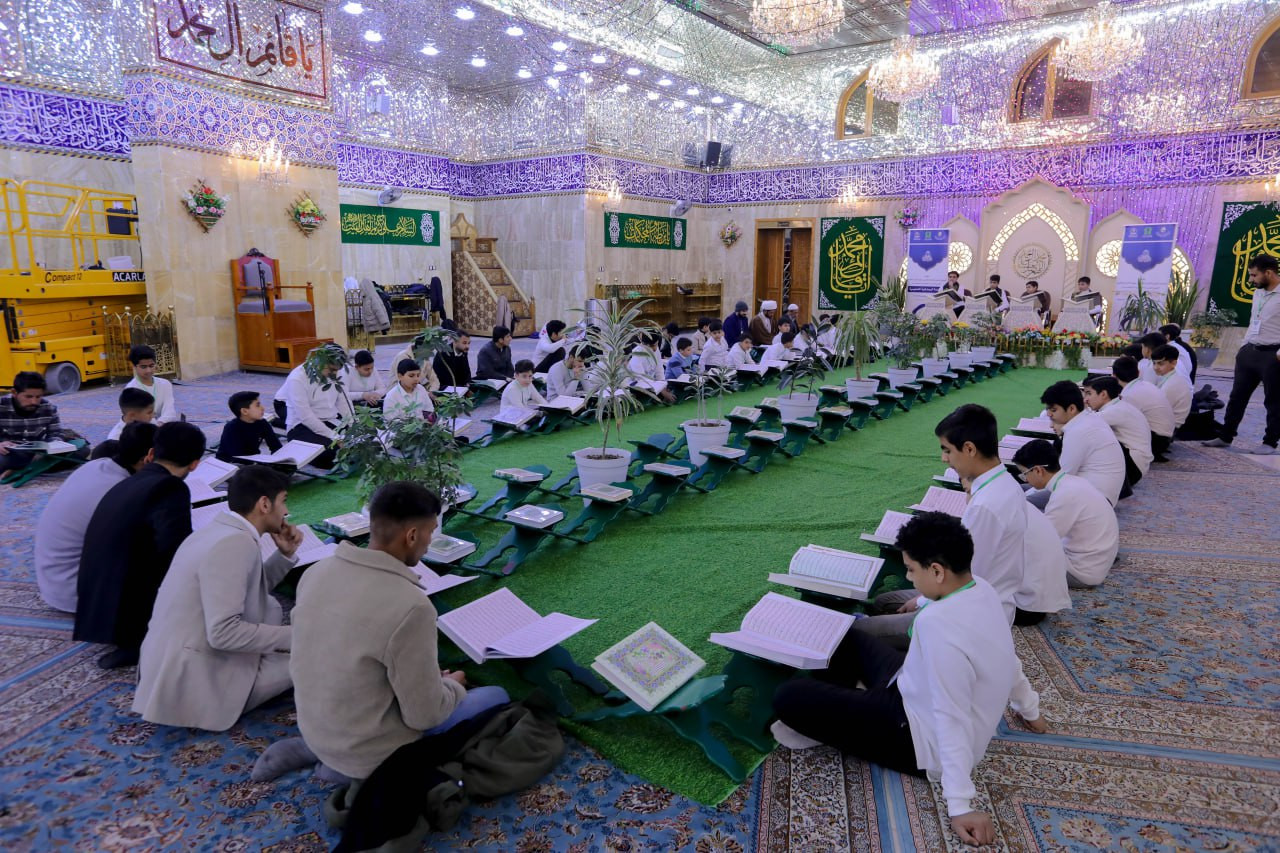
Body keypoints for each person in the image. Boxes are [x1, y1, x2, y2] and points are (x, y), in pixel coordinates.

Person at [772, 512, 1045, 848]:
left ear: (937, 571)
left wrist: (960, 805)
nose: (908, 577)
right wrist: (1029, 708)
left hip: (916, 737)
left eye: (912, 570)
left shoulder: (939, 626)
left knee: (788, 696)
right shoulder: (982, 588)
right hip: (908, 685)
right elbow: (1009, 658)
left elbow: (951, 715)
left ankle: (840, 718)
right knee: (845, 635)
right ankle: (845, 712)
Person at [289, 482, 510, 782]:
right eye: (431, 532)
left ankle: (319, 753)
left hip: (317, 729)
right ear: (412, 535)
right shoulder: (412, 606)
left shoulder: (316, 572)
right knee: (496, 696)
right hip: (371, 754)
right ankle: (353, 772)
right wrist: (452, 686)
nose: (430, 542)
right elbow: (425, 715)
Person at [133, 465, 301, 731]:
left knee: (273, 611)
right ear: (265, 504)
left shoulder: (216, 531)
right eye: (283, 501)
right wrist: (302, 636)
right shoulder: (235, 543)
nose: (286, 511)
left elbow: (247, 589)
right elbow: (223, 633)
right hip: (197, 683)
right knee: (315, 653)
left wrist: (284, 555)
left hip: (169, 665)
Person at [74, 421, 206, 669]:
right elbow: (175, 550)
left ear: (152, 453)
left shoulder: (132, 480)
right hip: (125, 613)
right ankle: (139, 643)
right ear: (195, 464)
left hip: (96, 602)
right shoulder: (170, 486)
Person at [34, 423, 157, 614]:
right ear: (148, 457)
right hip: (76, 593)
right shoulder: (121, 490)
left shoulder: (95, 466)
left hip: (54, 583)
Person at [1013, 440, 1119, 588]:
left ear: (1038, 470)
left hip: (1081, 573)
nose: (1026, 480)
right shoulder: (1073, 482)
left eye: (1025, 474)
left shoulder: (1065, 494)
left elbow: (1041, 540)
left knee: (1009, 560)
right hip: (1092, 562)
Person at [1204, 254, 1280, 453]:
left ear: (1269, 273)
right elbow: (1255, 320)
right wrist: (1244, 346)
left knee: (1273, 401)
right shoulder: (1258, 293)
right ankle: (1225, 436)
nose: (1251, 280)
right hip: (1249, 351)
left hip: (1273, 355)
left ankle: (1270, 442)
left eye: (1254, 275)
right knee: (1237, 396)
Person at [1041, 380, 1126, 506]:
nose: (1048, 414)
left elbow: (1061, 478)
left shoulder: (1079, 431)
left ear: (1072, 409)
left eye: (1053, 410)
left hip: (1095, 500)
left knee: (1025, 500)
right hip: (1099, 493)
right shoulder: (1087, 419)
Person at [278, 344, 353, 469]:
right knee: (331, 453)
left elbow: (343, 402)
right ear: (320, 361)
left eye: (337, 370)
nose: (334, 374)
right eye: (332, 370)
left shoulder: (337, 373)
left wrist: (353, 426)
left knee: (363, 441)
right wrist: (336, 438)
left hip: (330, 421)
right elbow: (306, 417)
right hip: (301, 427)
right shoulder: (297, 378)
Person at [0, 371, 86, 475]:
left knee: (83, 451)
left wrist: (53, 446)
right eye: (28, 397)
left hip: (40, 453)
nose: (34, 402)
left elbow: (55, 433)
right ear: (14, 393)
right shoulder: (1, 405)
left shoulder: (48, 407)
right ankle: (36, 467)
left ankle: (25, 468)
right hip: (10, 453)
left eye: (38, 397)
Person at [1083, 376, 1153, 483]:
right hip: (1135, 463)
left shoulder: (1115, 411)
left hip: (1133, 467)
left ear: (1103, 394)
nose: (1085, 399)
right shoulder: (1119, 405)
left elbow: (1082, 423)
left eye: (1089, 393)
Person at [1113, 355, 1176, 461]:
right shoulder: (1146, 385)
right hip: (1164, 438)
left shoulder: (1129, 394)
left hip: (1155, 441)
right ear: (1138, 372)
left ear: (1114, 375)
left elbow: (1122, 422)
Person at [217, 391, 282, 462]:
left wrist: (279, 459)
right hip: (229, 463)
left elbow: (276, 446)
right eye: (257, 405)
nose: (263, 408)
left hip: (252, 461)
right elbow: (236, 456)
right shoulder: (232, 428)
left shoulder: (262, 423)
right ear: (244, 411)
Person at [125, 345, 180, 424]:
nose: (148, 370)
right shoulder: (131, 390)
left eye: (151, 366)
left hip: (164, 426)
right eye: (143, 367)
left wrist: (161, 423)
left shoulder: (165, 384)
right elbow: (138, 417)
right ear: (134, 366)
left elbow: (169, 410)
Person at [1151, 344, 1193, 428]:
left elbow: (1157, 411)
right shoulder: (1171, 376)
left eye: (1160, 364)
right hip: (1166, 423)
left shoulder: (1173, 383)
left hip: (1168, 428)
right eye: (1154, 363)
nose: (1155, 367)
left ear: (1174, 363)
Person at [628, 333, 674, 402]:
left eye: (656, 344)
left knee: (670, 386)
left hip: (653, 382)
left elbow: (659, 370)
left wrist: (663, 386)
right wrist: (661, 390)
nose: (655, 348)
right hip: (638, 385)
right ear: (644, 344)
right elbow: (641, 379)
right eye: (652, 346)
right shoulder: (636, 355)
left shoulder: (656, 350)